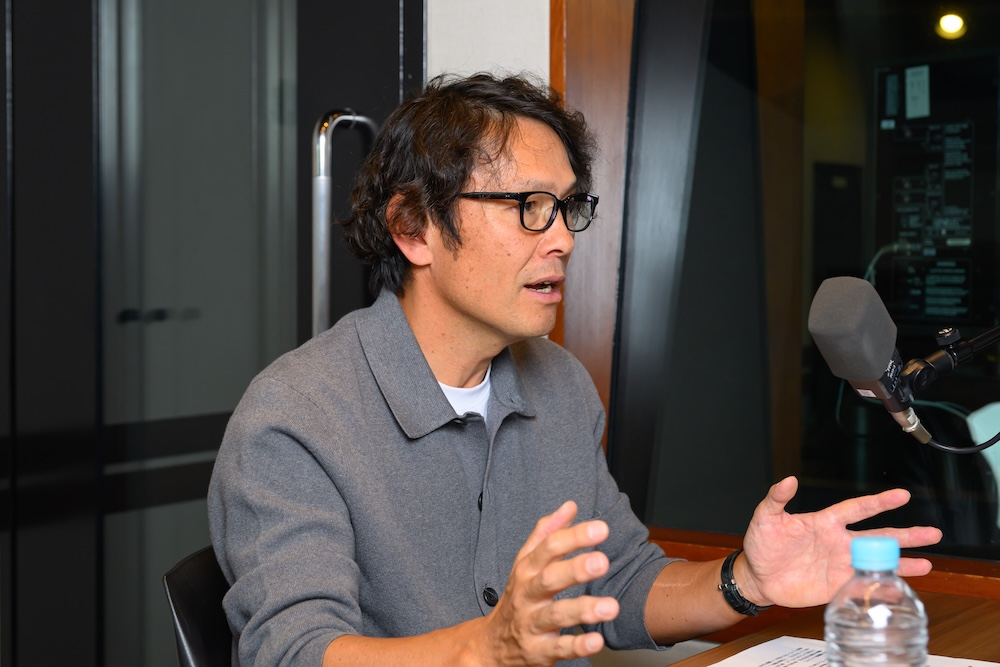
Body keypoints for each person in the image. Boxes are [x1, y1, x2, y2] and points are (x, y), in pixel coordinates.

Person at [207, 72, 942, 667]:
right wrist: (486, 649)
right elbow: (292, 654)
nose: (562, 238)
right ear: (413, 227)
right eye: (529, 206)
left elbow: (618, 580)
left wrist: (745, 580)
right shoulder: (295, 418)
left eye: (567, 207)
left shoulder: (556, 382)